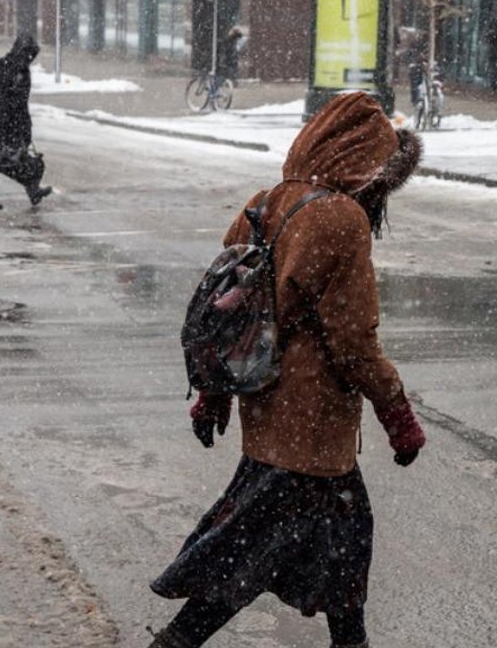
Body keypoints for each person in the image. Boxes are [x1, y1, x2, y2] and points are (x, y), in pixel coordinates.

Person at [149, 92, 427, 648]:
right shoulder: (341, 217)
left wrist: (215, 393)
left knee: (334, 544)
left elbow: (229, 311)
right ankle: (175, 642)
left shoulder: (268, 199)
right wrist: (396, 410)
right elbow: (352, 341)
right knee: (251, 552)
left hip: (268, 409)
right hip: (313, 424)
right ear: (362, 161)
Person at [0, 33, 52, 210]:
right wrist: (25, 127)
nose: (29, 58)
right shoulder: (19, 72)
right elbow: (18, 103)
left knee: (16, 158)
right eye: (27, 54)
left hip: (3, 122)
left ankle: (32, 192)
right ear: (19, 50)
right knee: (1, 161)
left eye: (31, 55)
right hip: (11, 123)